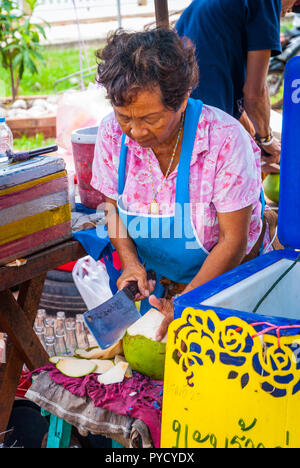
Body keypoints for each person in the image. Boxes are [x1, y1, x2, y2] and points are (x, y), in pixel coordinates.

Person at [92, 28, 275, 342]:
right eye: (124, 116)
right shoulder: (112, 134)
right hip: (165, 294)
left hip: (232, 288)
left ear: (182, 99)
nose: (134, 131)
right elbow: (111, 208)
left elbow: (233, 241)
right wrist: (132, 264)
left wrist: (185, 304)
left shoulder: (224, 140)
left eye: (150, 118)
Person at [176, 0, 298, 172]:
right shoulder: (266, 2)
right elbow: (254, 94)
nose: (290, 10)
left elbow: (235, 101)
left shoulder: (225, 10)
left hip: (181, 118)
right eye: (295, 4)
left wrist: (255, 143)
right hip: (205, 127)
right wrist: (267, 140)